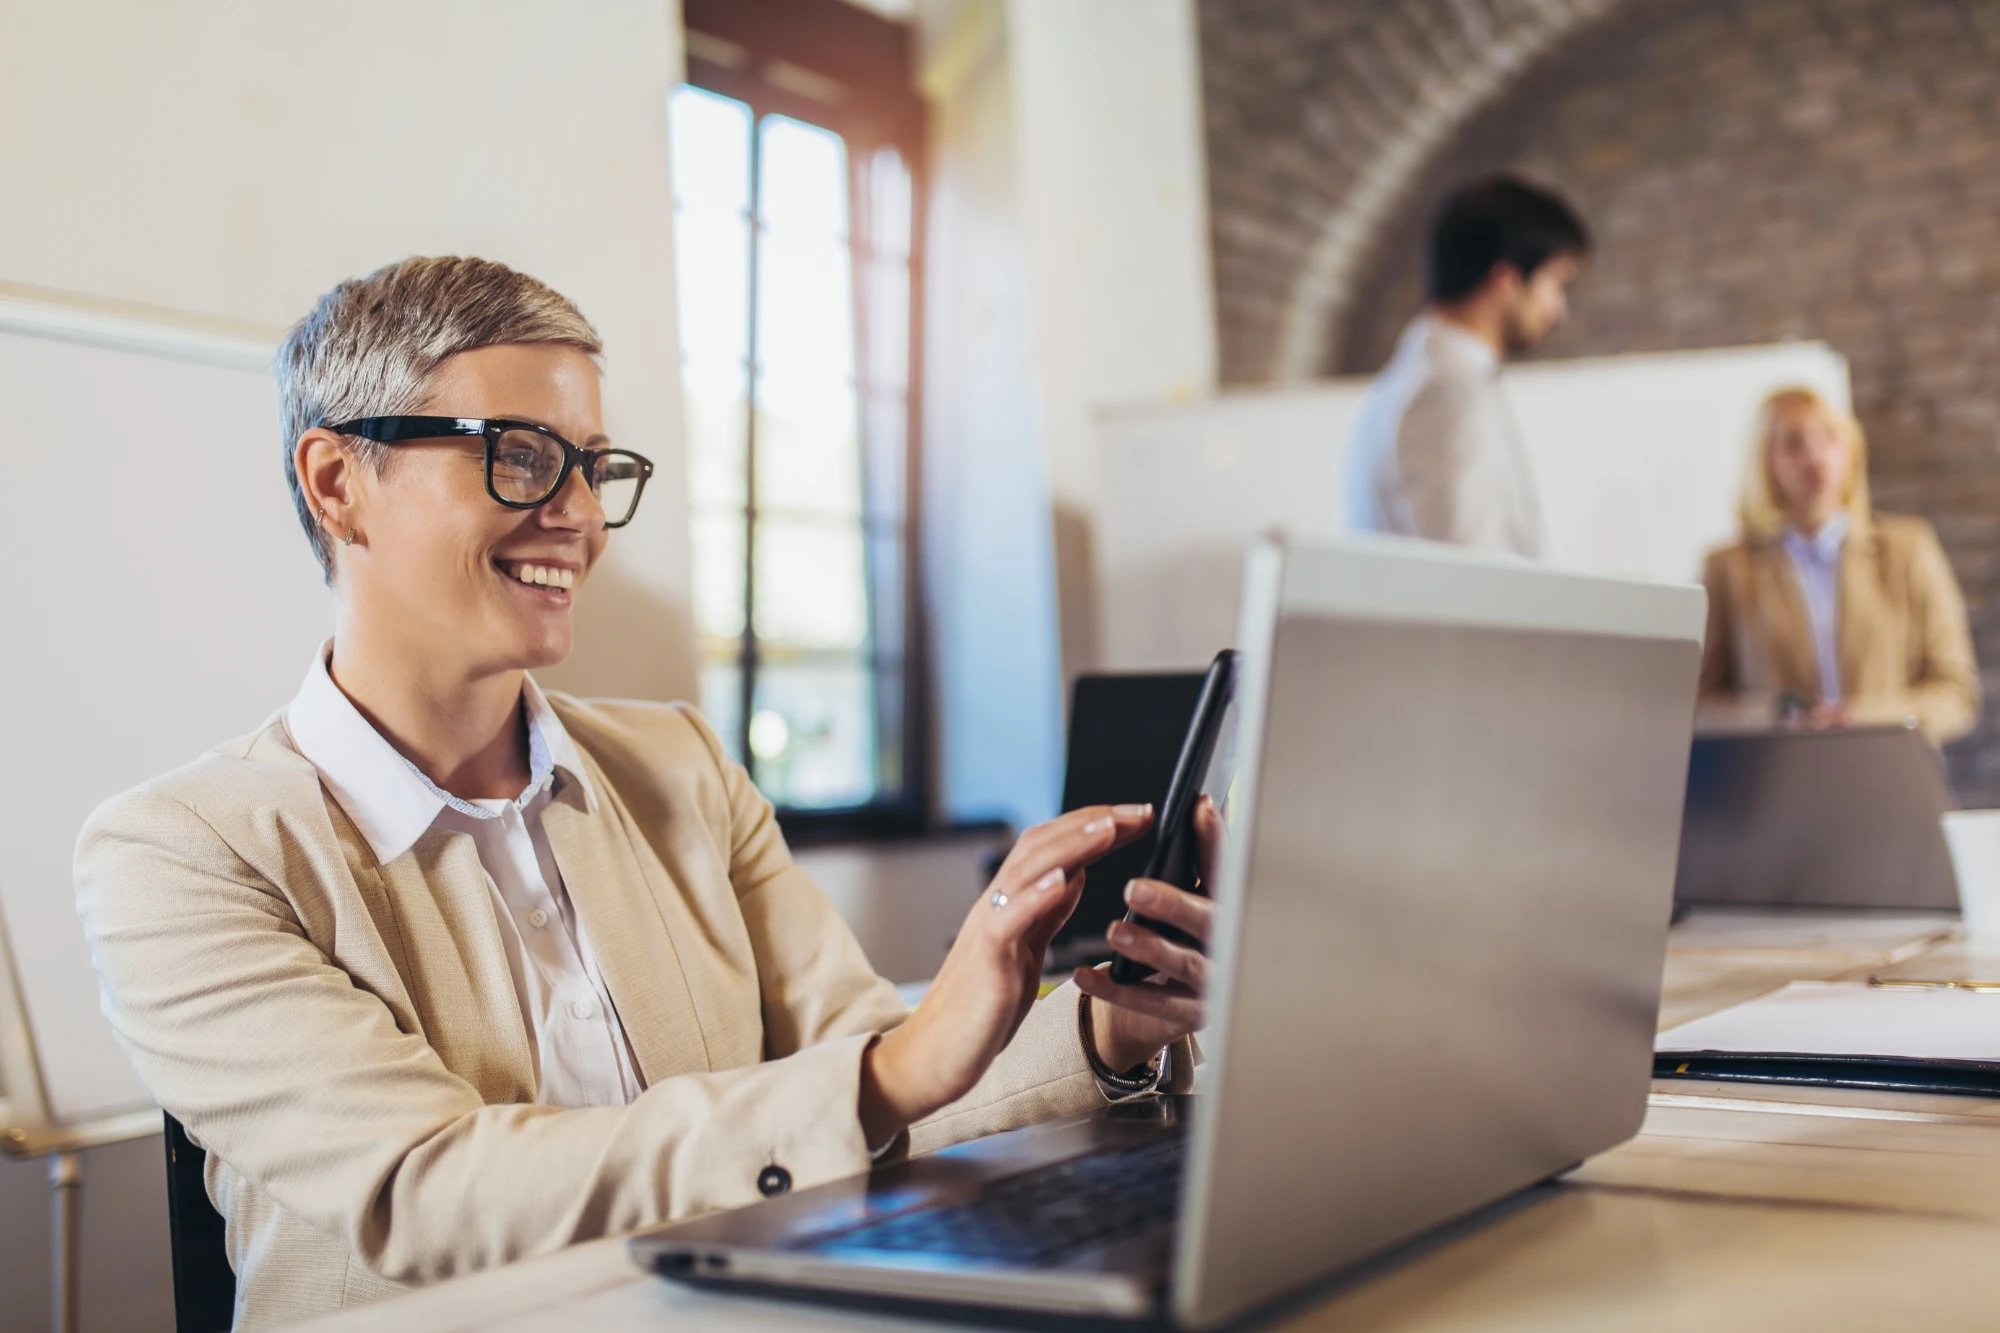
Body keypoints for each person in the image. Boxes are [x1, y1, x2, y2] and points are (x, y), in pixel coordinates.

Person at [73, 257, 1211, 1328]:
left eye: (593, 465)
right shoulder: (180, 852)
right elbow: (423, 1187)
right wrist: (890, 1070)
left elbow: (884, 1086)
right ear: (337, 482)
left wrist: (1107, 1024)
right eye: (520, 455)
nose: (573, 511)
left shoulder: (680, 768)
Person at [1698, 385, 1979, 745]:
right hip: (1780, 783)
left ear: (1851, 450)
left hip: (1889, 775)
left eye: (1828, 437)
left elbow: (1955, 694)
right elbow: (1702, 705)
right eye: (1794, 443)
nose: (1814, 454)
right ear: (1766, 461)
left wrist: (1861, 718)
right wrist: (1775, 714)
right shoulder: (1728, 569)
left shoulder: (1910, 549)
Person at [1346, 174, 1591, 557]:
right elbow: (1469, 580)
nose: (1558, 311)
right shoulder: (1444, 391)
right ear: (1506, 281)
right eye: (1554, 285)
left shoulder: (1434, 374)